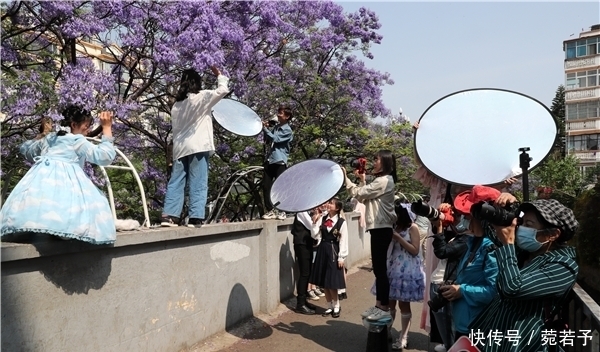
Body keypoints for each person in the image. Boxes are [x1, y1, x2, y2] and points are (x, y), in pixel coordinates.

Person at [469, 199, 579, 352]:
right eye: (521, 223)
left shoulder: (563, 266)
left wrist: (508, 245)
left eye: (528, 224)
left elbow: (512, 288)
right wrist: (492, 207)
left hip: (522, 344)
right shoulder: (526, 252)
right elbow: (491, 231)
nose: (520, 228)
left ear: (553, 234)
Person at [1, 106, 117, 244]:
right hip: (67, 183)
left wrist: (42, 134)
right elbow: (104, 156)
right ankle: (64, 231)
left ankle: (34, 227)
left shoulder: (50, 139)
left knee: (41, 205)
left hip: (39, 180)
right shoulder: (76, 141)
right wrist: (107, 128)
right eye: (86, 126)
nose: (89, 130)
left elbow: (27, 150)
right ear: (74, 125)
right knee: (69, 204)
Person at [161, 67, 229, 228]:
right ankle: (195, 217)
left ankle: (169, 216)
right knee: (198, 181)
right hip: (198, 146)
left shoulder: (176, 105)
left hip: (180, 148)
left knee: (176, 181)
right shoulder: (202, 97)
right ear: (197, 82)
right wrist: (219, 75)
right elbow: (223, 90)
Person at [343, 149, 397, 322]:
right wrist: (362, 180)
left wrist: (344, 178)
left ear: (385, 162)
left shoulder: (384, 181)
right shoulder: (382, 181)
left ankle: (383, 307)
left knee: (380, 271)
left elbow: (359, 194)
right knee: (379, 270)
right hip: (379, 228)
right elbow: (366, 197)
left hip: (381, 229)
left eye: (377, 159)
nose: (374, 162)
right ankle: (379, 305)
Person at [440, 185, 500, 340]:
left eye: (467, 215)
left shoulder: (491, 248)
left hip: (478, 326)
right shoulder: (474, 242)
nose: (464, 219)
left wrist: (462, 290)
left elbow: (494, 292)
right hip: (464, 322)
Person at [370, 203, 425, 350]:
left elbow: (415, 250)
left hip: (407, 270)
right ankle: (386, 330)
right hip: (392, 268)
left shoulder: (413, 227)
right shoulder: (394, 227)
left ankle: (404, 336)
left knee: (404, 304)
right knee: (389, 303)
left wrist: (399, 239)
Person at [429, 205, 470, 352]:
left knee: (451, 329)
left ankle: (450, 346)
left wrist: (440, 228)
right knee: (445, 329)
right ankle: (448, 345)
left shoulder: (467, 240)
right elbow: (441, 241)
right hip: (440, 282)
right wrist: (438, 223)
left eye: (462, 215)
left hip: (446, 285)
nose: (458, 218)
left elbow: (442, 251)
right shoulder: (459, 235)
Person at [309, 198, 348, 318]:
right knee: (324, 281)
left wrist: (341, 257)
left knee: (332, 281)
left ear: (337, 208)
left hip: (333, 251)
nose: (328, 204)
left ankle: (336, 305)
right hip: (322, 250)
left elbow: (343, 240)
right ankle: (329, 305)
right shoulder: (323, 218)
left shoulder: (341, 222)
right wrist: (315, 223)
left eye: (331, 203)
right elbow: (315, 234)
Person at [262, 106, 293, 221]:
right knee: (266, 185)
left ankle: (282, 210)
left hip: (280, 161)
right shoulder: (276, 127)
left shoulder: (287, 130)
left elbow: (276, 139)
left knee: (280, 187)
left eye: (281, 113)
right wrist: (266, 128)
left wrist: (265, 129)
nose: (278, 115)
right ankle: (270, 210)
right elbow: (268, 140)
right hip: (270, 160)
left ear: (287, 116)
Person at [291, 208, 320, 315]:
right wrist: (317, 218)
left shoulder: (305, 212)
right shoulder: (301, 212)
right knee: (304, 274)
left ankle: (303, 301)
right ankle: (300, 304)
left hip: (306, 244)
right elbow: (312, 227)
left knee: (307, 273)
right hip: (301, 245)